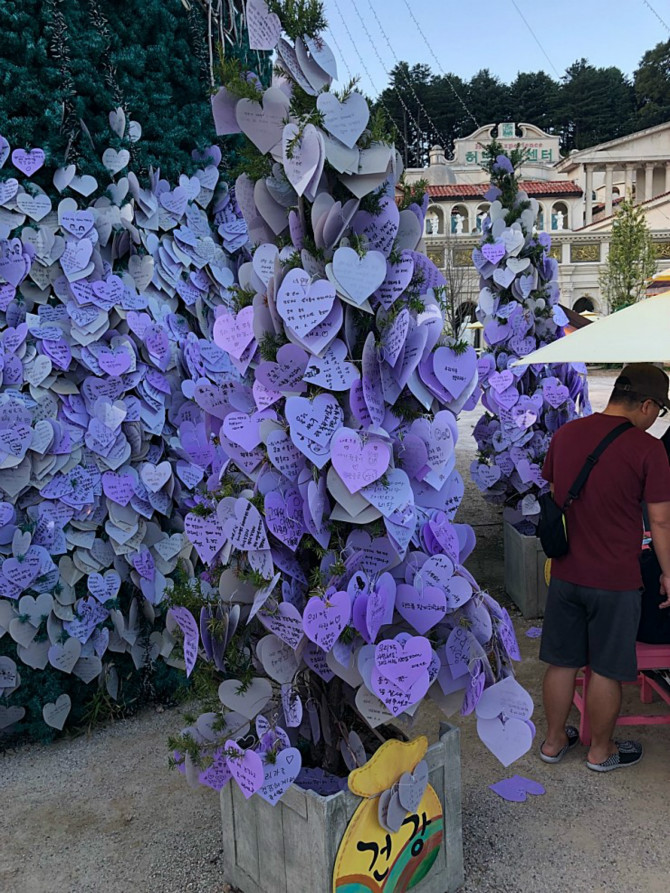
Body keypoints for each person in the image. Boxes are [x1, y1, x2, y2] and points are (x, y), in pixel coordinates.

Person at [539, 363, 670, 772]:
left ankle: (554, 741)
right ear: (646, 405)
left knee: (561, 662)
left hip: (565, 573)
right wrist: (668, 573)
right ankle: (601, 751)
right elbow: (661, 521)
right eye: (659, 411)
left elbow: (558, 493)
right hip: (616, 579)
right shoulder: (649, 450)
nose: (656, 420)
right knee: (609, 669)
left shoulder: (566, 434)